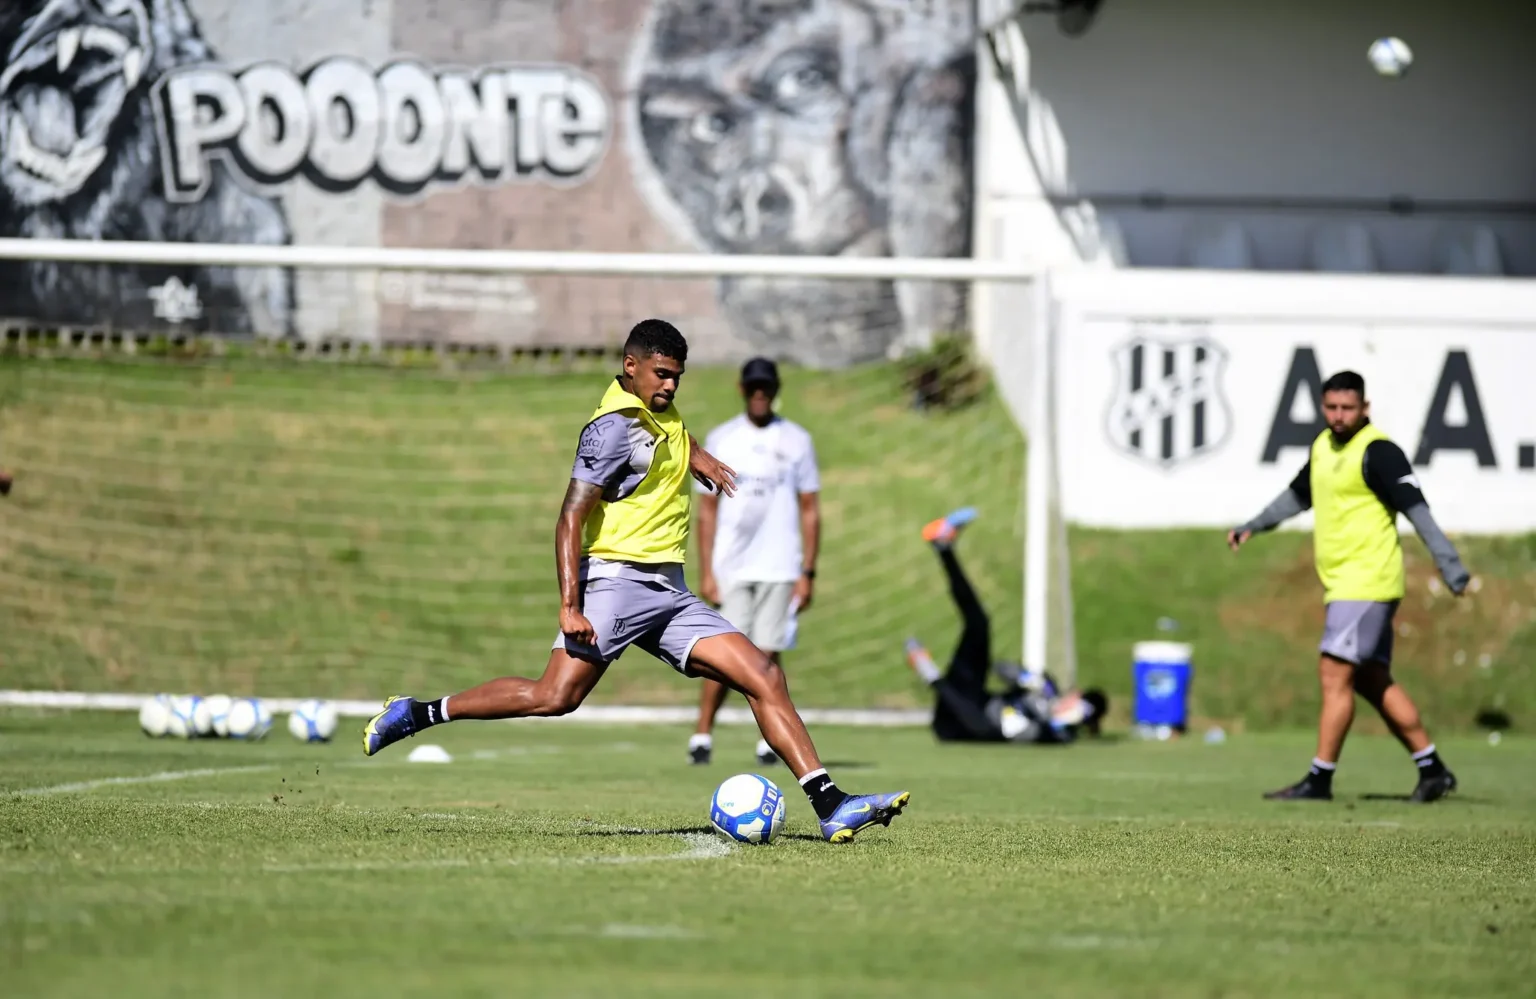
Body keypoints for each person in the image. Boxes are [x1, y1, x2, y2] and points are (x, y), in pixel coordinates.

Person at [362, 319, 909, 843]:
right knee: (554, 697)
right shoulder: (610, 430)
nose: (670, 384)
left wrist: (699, 455)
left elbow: (669, 433)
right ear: (631, 366)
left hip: (668, 594)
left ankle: (831, 806)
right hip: (615, 586)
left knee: (764, 673)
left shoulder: (658, 412)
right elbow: (570, 518)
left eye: (677, 376)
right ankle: (419, 712)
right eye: (662, 374)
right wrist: (570, 604)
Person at [1229, 370, 1469, 803]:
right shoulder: (1323, 446)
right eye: (1332, 408)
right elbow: (1298, 495)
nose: (1338, 416)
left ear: (1365, 408)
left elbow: (1418, 511)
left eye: (1347, 408)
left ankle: (1319, 779)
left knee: (1333, 673)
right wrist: (1253, 526)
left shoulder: (1379, 453)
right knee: (1372, 679)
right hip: (1343, 583)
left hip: (1367, 581)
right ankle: (1432, 769)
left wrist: (1450, 567)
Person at [688, 357, 820, 767]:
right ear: (742, 389)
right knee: (724, 656)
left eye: (767, 387)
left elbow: (810, 508)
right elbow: (706, 511)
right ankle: (703, 732)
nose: (760, 394)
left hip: (780, 566)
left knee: (768, 652)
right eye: (754, 387)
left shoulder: (797, 440)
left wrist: (807, 572)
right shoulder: (723, 438)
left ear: (775, 389)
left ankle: (770, 738)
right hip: (733, 566)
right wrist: (707, 570)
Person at [905, 507, 1107, 744]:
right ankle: (943, 547)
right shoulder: (1045, 688)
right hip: (963, 703)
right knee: (980, 625)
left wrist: (1053, 723)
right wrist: (1027, 678)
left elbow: (1007, 732)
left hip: (962, 728)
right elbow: (999, 668)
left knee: (985, 727)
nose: (1073, 709)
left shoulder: (1056, 734)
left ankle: (929, 673)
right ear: (1075, 694)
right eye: (1078, 702)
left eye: (1082, 714)